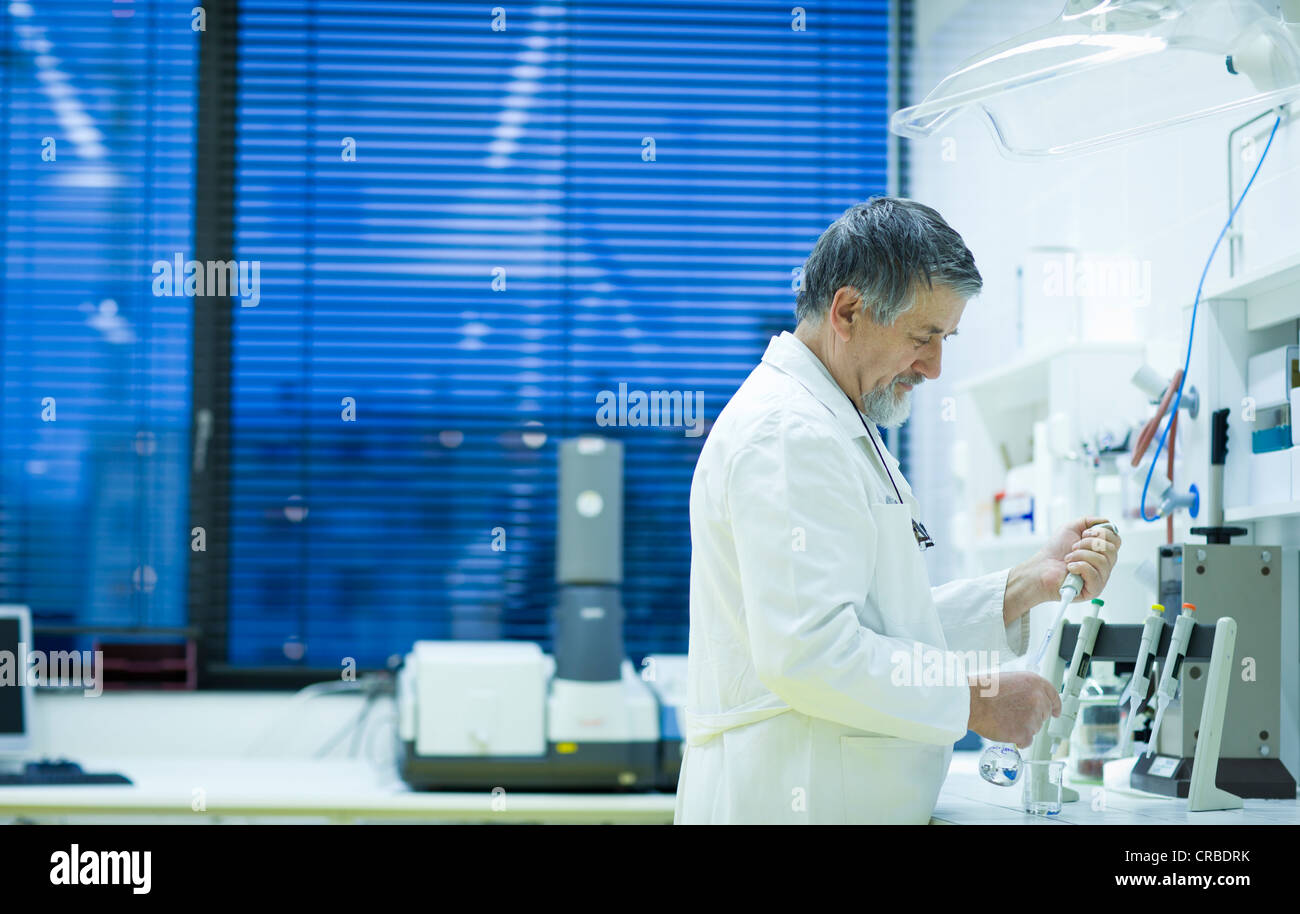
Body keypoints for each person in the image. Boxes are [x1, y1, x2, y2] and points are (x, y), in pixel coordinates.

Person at [673, 197, 1120, 824]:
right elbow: (812, 651)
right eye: (923, 336)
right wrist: (977, 700)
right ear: (849, 311)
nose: (934, 366)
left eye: (945, 338)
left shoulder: (839, 422)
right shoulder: (788, 433)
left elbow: (877, 627)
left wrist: (1021, 587)